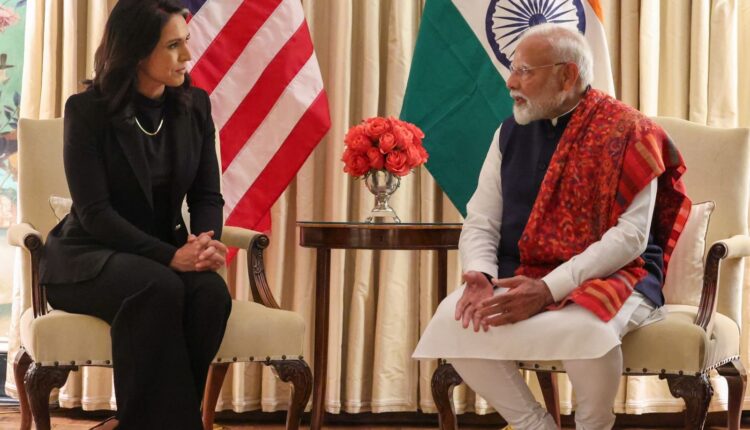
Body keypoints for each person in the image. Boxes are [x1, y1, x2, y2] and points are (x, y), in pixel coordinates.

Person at [413, 24, 691, 430]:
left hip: (616, 274)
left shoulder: (631, 131)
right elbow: (482, 218)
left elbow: (630, 237)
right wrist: (480, 273)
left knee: (585, 327)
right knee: (455, 321)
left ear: (567, 75)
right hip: (524, 268)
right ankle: (534, 425)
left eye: (525, 71)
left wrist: (548, 288)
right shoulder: (508, 132)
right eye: (514, 69)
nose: (511, 82)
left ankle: (593, 426)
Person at [40, 1, 232, 428]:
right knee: (159, 285)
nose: (187, 56)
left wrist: (202, 242)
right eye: (173, 46)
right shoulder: (86, 112)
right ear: (137, 52)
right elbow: (94, 213)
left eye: (186, 43)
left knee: (210, 294)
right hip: (88, 257)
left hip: (160, 254)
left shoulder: (195, 106)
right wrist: (169, 257)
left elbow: (207, 195)